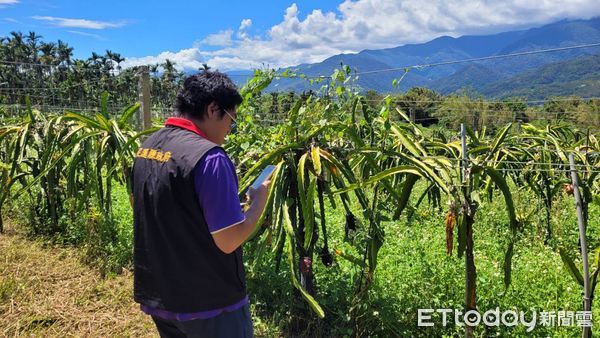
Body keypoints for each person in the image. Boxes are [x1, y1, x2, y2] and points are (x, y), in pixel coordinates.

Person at [132, 70, 270, 338]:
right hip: (210, 304)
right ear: (213, 109)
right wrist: (257, 206)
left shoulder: (148, 147)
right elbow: (228, 240)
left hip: (161, 296)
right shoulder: (210, 158)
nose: (230, 130)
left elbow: (145, 207)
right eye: (231, 119)